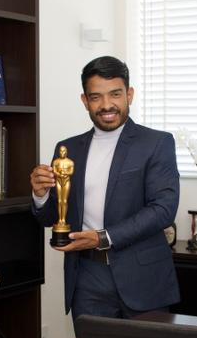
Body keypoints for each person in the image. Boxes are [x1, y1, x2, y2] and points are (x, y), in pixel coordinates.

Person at [31, 56, 180, 319]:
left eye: (115, 94)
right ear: (84, 100)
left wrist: (103, 237)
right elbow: (53, 217)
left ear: (129, 95)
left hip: (143, 279)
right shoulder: (67, 149)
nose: (106, 105)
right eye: (96, 97)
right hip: (87, 279)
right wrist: (40, 195)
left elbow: (163, 209)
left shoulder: (156, 143)